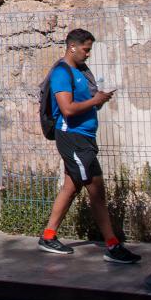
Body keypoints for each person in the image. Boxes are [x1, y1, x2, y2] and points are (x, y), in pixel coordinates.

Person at [37, 28, 141, 264]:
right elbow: (67, 109)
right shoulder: (62, 73)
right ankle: (113, 245)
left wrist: (98, 100)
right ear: (72, 47)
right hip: (73, 138)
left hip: (84, 137)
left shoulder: (80, 71)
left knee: (71, 188)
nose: (88, 54)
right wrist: (95, 101)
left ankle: (48, 236)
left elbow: (84, 102)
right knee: (97, 190)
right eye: (86, 49)